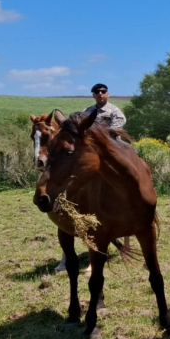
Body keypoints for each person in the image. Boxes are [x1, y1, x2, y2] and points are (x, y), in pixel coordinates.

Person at [55, 83, 128, 273]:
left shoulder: (115, 111)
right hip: (90, 149)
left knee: (132, 161)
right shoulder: (86, 111)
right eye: (97, 92)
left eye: (103, 91)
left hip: (111, 148)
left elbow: (116, 130)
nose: (100, 94)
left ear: (108, 94)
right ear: (93, 95)